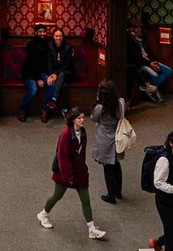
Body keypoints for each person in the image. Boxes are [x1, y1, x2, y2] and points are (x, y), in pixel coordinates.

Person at [36, 107, 106, 239]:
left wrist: (83, 171)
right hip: (64, 173)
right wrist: (68, 177)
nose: (82, 120)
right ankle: (43, 213)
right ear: (73, 120)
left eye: (83, 117)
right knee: (57, 195)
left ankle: (91, 228)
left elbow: (82, 154)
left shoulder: (83, 132)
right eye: (79, 118)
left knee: (85, 199)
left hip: (79, 172)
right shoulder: (66, 135)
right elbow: (62, 157)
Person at [90, 80, 125, 204]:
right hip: (118, 137)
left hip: (104, 139)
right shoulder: (121, 103)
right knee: (116, 164)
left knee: (108, 168)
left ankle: (111, 195)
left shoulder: (100, 108)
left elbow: (94, 118)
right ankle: (118, 191)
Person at [126, 18, 171, 103]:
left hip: (148, 60)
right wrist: (150, 64)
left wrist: (155, 61)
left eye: (140, 27)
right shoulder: (130, 40)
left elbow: (149, 51)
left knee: (168, 71)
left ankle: (152, 90)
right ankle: (153, 91)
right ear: (131, 29)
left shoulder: (142, 36)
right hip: (140, 63)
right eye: (136, 27)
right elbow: (137, 57)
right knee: (155, 75)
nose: (139, 29)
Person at [40, 27, 75, 121]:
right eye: (56, 36)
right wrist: (52, 74)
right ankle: (65, 110)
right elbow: (49, 63)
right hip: (56, 75)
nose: (58, 38)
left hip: (68, 73)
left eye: (60, 36)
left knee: (62, 75)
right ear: (53, 37)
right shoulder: (50, 46)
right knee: (63, 86)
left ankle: (54, 99)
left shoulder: (68, 47)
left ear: (63, 37)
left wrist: (56, 74)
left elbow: (67, 65)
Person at [18, 25, 52, 121]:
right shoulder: (31, 44)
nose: (42, 34)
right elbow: (32, 63)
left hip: (41, 72)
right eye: (40, 32)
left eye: (44, 32)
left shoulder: (47, 44)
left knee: (52, 84)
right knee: (33, 90)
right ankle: (22, 109)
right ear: (36, 33)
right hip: (29, 72)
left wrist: (50, 75)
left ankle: (44, 109)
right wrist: (38, 79)